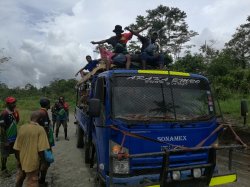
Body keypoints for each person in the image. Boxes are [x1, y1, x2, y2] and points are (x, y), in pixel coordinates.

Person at [14, 111, 50, 187]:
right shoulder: (40, 129)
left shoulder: (22, 127)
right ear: (40, 120)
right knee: (32, 182)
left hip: (22, 159)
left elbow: (16, 148)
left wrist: (19, 160)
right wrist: (43, 162)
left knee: (20, 177)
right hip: (33, 162)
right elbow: (41, 149)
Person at [0, 96, 19, 177]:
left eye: (14, 102)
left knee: (17, 151)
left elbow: (16, 122)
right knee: (5, 155)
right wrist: (5, 140)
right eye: (12, 103)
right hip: (6, 138)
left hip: (14, 137)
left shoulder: (14, 112)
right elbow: (1, 128)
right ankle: (3, 170)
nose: (14, 104)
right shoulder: (4, 113)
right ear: (7, 104)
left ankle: (20, 166)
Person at [38, 98, 54, 186]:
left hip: (38, 140)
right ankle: (41, 181)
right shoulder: (44, 113)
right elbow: (46, 128)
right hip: (44, 141)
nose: (50, 105)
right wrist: (47, 143)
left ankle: (38, 180)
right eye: (49, 104)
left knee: (39, 160)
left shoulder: (38, 112)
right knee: (45, 161)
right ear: (47, 104)